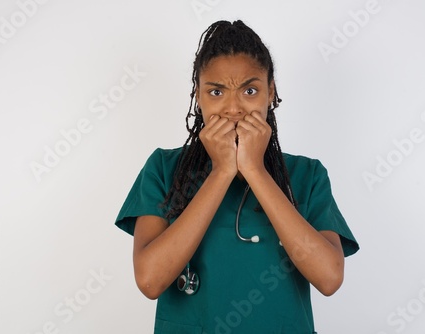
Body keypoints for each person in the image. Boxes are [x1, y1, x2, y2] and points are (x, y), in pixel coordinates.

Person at [115, 20, 359, 334]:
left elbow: (329, 278)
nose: (233, 108)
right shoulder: (163, 168)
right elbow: (150, 281)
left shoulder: (307, 175)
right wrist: (222, 171)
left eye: (250, 90)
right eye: (216, 91)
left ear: (270, 92)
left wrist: (255, 170)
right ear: (198, 96)